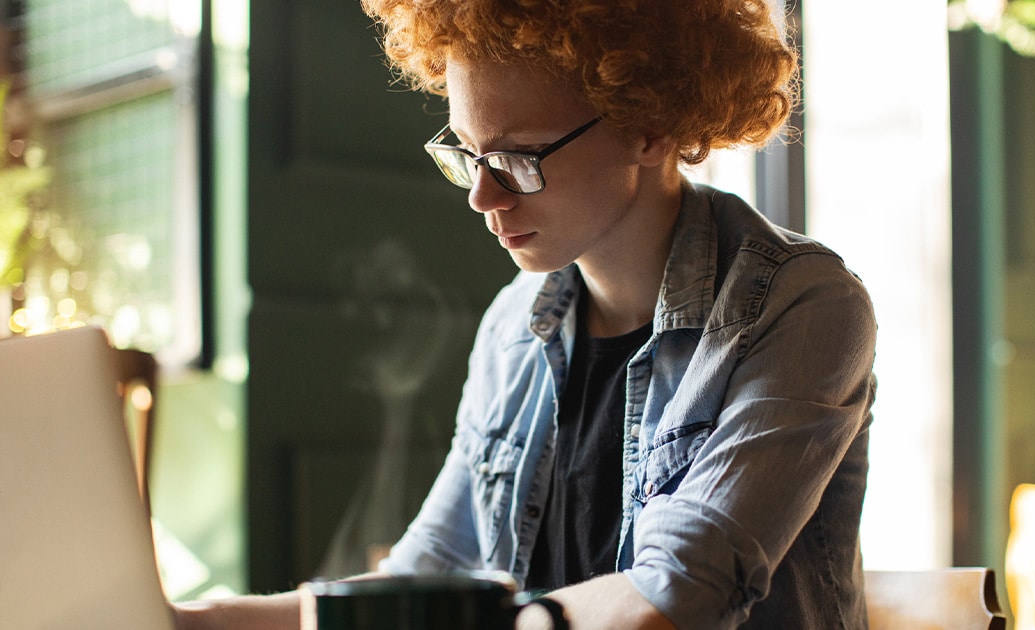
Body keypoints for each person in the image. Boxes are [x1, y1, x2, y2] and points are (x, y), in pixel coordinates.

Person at [174, 0, 877, 628]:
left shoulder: (804, 305)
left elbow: (678, 593)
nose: (482, 196)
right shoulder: (514, 326)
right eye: (466, 154)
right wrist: (194, 621)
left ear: (650, 128)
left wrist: (481, 619)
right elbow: (427, 576)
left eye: (517, 158)